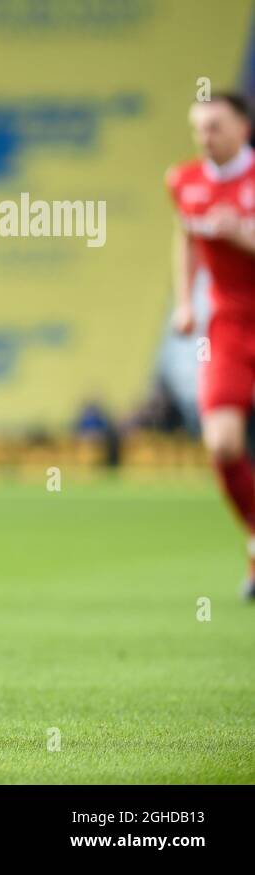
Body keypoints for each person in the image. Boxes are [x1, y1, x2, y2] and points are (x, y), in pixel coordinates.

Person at [167, 92, 255, 598]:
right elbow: (185, 236)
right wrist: (186, 302)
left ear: (243, 128)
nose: (206, 137)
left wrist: (244, 237)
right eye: (199, 127)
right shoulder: (185, 181)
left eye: (216, 126)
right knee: (222, 442)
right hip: (227, 323)